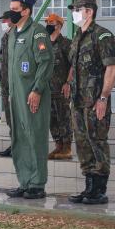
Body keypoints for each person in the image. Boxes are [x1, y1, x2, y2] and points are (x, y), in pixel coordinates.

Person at [64, 0, 115, 205]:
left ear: (89, 11)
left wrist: (103, 97)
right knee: (82, 143)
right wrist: (69, 81)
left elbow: (112, 67)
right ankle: (88, 186)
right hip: (78, 101)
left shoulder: (102, 35)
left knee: (97, 142)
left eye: (77, 9)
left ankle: (99, 189)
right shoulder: (78, 36)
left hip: (95, 99)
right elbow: (74, 65)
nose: (74, 13)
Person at [5, 0, 53, 200]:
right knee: (19, 138)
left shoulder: (38, 32)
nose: (11, 13)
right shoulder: (12, 34)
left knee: (34, 137)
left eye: (15, 9)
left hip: (32, 95)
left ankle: (37, 183)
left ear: (25, 11)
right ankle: (25, 181)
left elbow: (45, 63)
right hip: (16, 96)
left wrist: (37, 90)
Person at [45, 13, 73, 160]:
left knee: (64, 118)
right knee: (51, 119)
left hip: (61, 88)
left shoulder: (66, 43)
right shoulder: (44, 45)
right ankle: (58, 146)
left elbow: (73, 65)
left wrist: (68, 82)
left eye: (51, 23)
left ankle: (67, 148)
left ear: (59, 26)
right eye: (47, 22)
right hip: (47, 89)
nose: (48, 25)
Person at [0, 10, 14, 158]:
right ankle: (14, 144)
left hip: (16, 84)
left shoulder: (18, 35)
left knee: (17, 117)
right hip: (6, 84)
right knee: (9, 117)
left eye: (5, 20)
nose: (3, 23)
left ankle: (20, 145)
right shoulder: (5, 37)